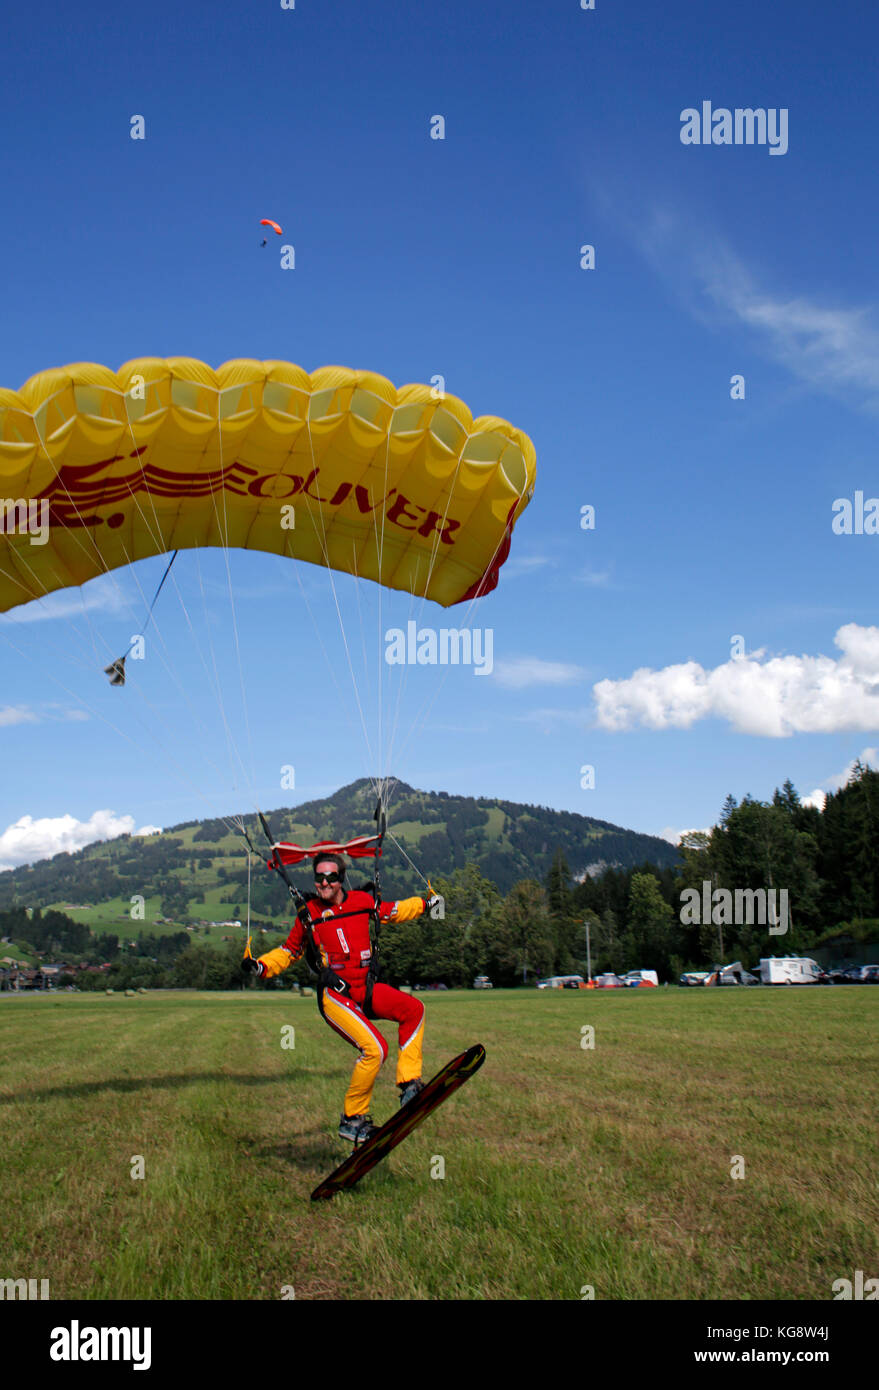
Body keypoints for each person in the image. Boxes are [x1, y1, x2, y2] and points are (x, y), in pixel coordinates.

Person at [243, 852, 440, 1146]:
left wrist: (426, 904)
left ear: (341, 879)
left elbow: (394, 911)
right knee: (375, 1049)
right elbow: (289, 951)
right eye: (319, 877)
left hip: (366, 988)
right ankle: (352, 1120)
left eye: (330, 877)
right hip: (336, 994)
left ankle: (409, 1084)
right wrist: (261, 966)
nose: (324, 882)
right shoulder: (309, 913)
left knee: (413, 1009)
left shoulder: (361, 901)